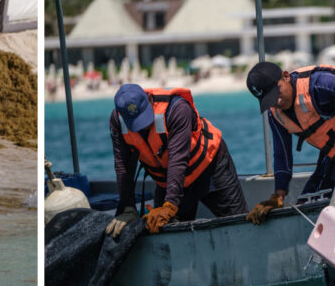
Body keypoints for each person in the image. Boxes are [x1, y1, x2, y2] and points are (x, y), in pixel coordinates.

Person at [243, 61, 335, 225]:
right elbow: (281, 155)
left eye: (277, 92)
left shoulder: (317, 84)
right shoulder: (276, 115)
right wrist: (278, 197)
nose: (277, 101)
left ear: (286, 76)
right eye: (270, 99)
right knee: (306, 205)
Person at [104, 84, 248, 239]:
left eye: (145, 118)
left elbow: (178, 159)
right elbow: (123, 166)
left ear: (150, 99)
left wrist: (170, 205)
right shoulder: (118, 121)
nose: (143, 127)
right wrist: (127, 206)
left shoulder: (177, 109)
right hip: (169, 180)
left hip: (210, 167)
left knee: (239, 223)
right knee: (159, 232)